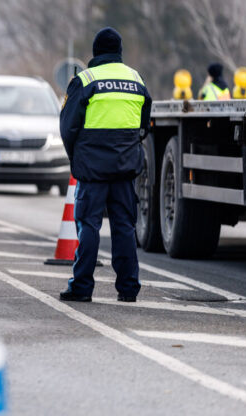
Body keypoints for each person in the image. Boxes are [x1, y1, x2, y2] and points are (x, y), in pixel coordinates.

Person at [58, 27, 152, 303]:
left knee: (88, 225)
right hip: (125, 168)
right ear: (119, 52)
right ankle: (128, 288)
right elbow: (143, 124)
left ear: (96, 52)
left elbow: (67, 126)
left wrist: (75, 157)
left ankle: (82, 287)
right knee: (124, 227)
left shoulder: (86, 79)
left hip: (92, 169)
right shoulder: (136, 79)